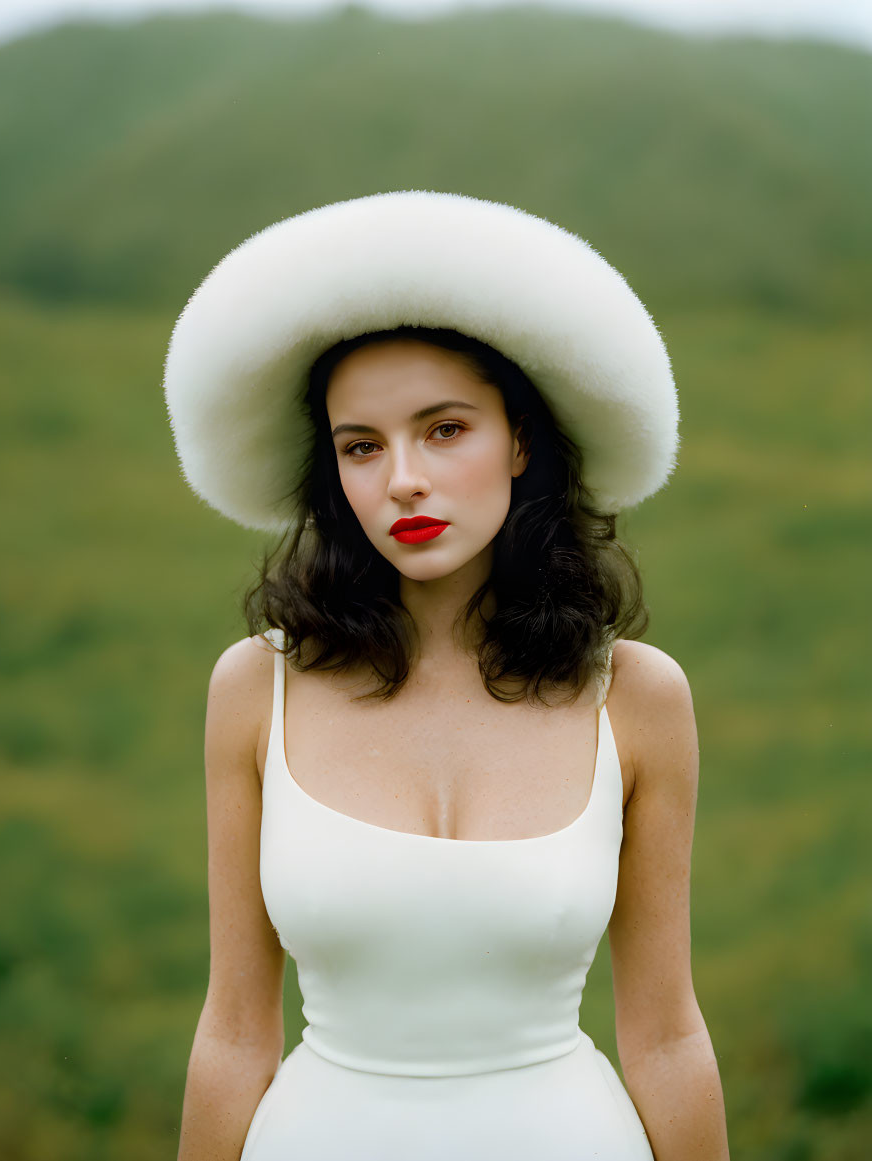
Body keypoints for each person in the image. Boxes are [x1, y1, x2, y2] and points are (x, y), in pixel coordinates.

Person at [164, 191, 730, 1161]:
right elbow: (234, 1032)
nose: (403, 481)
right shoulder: (257, 690)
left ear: (520, 441)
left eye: (445, 429)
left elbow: (667, 1034)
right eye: (362, 447)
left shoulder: (634, 698)